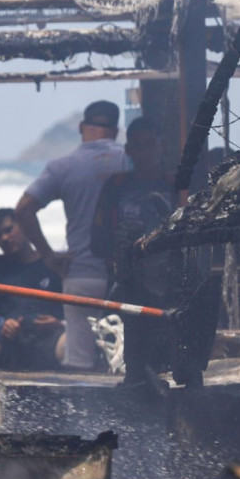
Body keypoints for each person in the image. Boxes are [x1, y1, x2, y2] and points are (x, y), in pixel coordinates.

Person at [14, 100, 128, 370]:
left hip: (81, 274)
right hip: (127, 276)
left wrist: (49, 256)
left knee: (79, 361)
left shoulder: (63, 166)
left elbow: (24, 209)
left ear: (81, 127)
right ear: (116, 130)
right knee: (125, 361)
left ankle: (83, 411)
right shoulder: (130, 159)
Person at [91, 117, 176, 384]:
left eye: (150, 145)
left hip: (168, 281)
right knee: (127, 349)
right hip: (127, 280)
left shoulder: (174, 185)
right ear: (129, 151)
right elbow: (98, 237)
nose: (145, 152)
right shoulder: (116, 186)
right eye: (138, 147)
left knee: (167, 347)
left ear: (161, 146)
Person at [0, 207, 64, 372]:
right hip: (9, 341)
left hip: (49, 337)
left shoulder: (52, 267)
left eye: (8, 230)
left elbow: (70, 311)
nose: (5, 238)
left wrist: (59, 324)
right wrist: (2, 325)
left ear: (23, 226)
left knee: (68, 344)